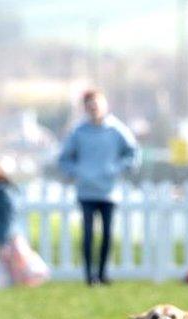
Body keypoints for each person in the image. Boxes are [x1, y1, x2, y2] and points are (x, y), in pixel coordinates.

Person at [58, 89, 139, 286]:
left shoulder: (117, 130)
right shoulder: (78, 132)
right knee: (87, 234)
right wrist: (77, 172)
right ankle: (89, 276)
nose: (94, 108)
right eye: (90, 105)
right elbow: (64, 159)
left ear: (104, 105)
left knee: (107, 234)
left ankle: (103, 273)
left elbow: (133, 154)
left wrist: (116, 168)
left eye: (97, 104)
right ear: (85, 108)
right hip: (86, 192)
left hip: (108, 192)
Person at [0, 158, 49, 288]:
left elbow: (7, 215)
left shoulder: (1, 191)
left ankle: (2, 283)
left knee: (11, 262)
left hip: (2, 235)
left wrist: (2, 237)